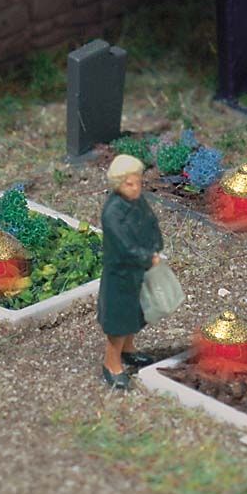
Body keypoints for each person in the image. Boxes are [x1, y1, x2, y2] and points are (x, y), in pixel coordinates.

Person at [96, 154, 164, 390]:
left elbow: (152, 224)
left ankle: (129, 349)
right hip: (121, 275)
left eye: (138, 182)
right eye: (129, 184)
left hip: (138, 272)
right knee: (119, 321)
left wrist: (155, 245)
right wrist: (147, 257)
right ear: (119, 183)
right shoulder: (113, 213)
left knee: (136, 314)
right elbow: (124, 246)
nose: (136, 188)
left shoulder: (138, 202)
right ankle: (111, 364)